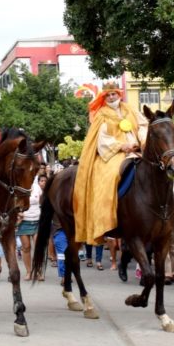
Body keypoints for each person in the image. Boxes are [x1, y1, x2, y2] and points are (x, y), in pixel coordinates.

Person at [73, 81, 148, 244]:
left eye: (113, 93)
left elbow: (143, 126)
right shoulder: (101, 114)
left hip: (137, 150)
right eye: (108, 94)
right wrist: (122, 145)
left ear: (119, 94)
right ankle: (106, 219)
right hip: (115, 153)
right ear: (104, 96)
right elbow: (102, 140)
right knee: (112, 175)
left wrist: (142, 141)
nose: (111, 96)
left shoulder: (130, 109)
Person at [18, 173, 45, 280]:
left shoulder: (38, 187)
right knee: (26, 247)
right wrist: (17, 213)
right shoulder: (19, 187)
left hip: (37, 220)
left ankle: (38, 271)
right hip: (24, 221)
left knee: (38, 247)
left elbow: (43, 202)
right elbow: (14, 202)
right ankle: (29, 271)